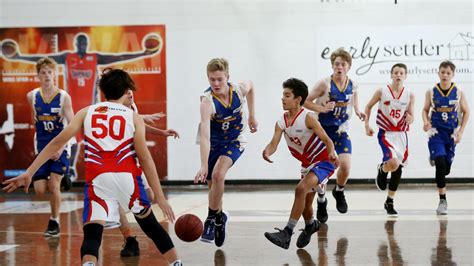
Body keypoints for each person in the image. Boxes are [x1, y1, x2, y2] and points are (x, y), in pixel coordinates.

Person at [3, 68, 182, 266]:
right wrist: (161, 197)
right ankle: (177, 263)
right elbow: (146, 158)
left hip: (98, 178)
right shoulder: (133, 117)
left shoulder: (86, 112)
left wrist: (29, 172)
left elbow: (56, 142)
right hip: (127, 178)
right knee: (152, 227)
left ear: (103, 91)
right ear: (126, 91)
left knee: (92, 234)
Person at [9, 32, 160, 181]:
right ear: (76, 45)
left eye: (84, 43)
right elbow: (42, 60)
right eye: (80, 43)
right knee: (72, 138)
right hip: (72, 105)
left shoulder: (94, 57)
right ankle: (70, 168)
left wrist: (143, 53)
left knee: (93, 138)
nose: (82, 46)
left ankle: (101, 168)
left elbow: (118, 57)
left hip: (91, 106)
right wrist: (18, 56)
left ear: (87, 45)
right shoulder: (67, 57)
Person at [263, 78, 338, 249]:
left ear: (298, 99)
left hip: (323, 160)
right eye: (283, 95)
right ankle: (311, 224)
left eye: (287, 95)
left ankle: (287, 232)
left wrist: (332, 153)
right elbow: (273, 144)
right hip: (307, 164)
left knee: (300, 189)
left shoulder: (308, 118)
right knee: (305, 206)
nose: (283, 98)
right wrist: (267, 151)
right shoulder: (281, 122)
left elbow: (327, 140)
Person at [194, 58, 258, 247]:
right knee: (214, 187)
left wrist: (253, 115)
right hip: (213, 143)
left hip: (235, 139)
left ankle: (211, 219)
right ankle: (221, 218)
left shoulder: (239, 89)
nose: (215, 83)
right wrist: (203, 164)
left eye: (219, 79)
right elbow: (204, 136)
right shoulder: (207, 102)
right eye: (212, 79)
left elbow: (252, 85)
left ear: (227, 77)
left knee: (218, 174)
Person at [303, 48, 365, 215]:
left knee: (345, 165)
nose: (340, 67)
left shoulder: (353, 84)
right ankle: (321, 199)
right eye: (336, 64)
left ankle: (339, 190)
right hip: (323, 131)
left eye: (343, 64)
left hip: (341, 129)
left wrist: (358, 110)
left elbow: (354, 97)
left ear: (348, 67)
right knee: (321, 171)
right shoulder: (324, 84)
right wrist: (322, 108)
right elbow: (305, 102)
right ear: (332, 66)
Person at [119, 90, 179, 257]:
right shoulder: (115, 110)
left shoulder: (131, 107)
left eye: (130, 90)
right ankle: (129, 238)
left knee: (148, 196)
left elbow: (137, 122)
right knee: (119, 206)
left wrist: (162, 132)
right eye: (125, 91)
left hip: (134, 161)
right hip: (119, 166)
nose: (130, 94)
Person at [25, 57, 74, 237]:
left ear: (55, 75)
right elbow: (34, 119)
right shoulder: (32, 96)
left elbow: (72, 125)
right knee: (39, 190)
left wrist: (61, 148)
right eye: (43, 72)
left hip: (60, 146)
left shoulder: (63, 97)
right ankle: (64, 177)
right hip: (42, 146)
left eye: (50, 72)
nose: (47, 75)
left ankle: (54, 222)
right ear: (38, 75)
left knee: (53, 186)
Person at [364, 63, 414, 216]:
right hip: (386, 133)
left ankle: (389, 201)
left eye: (401, 73)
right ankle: (382, 168)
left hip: (402, 135)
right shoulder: (382, 91)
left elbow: (411, 116)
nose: (398, 75)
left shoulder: (409, 94)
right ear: (391, 75)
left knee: (398, 168)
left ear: (405, 76)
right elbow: (368, 107)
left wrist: (411, 118)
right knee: (393, 163)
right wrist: (367, 125)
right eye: (396, 72)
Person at [422, 60, 469, 215]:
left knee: (446, 168)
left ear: (453, 75)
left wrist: (461, 131)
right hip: (436, 133)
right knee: (441, 164)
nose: (445, 75)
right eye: (443, 72)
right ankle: (442, 200)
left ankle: (436, 158)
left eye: (448, 73)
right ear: (438, 73)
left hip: (451, 134)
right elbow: (425, 110)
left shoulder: (459, 91)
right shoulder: (431, 91)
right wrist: (426, 122)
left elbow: (466, 111)